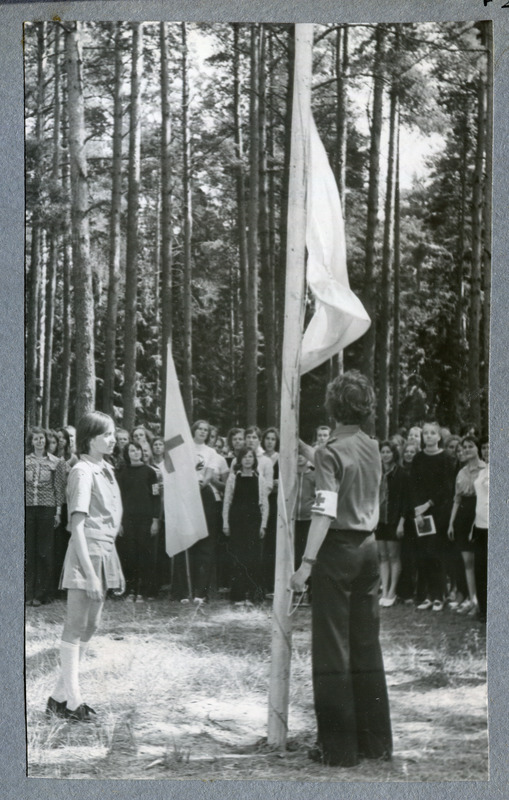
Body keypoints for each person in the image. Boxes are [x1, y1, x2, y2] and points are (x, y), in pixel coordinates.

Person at [290, 371, 392, 768]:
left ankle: (338, 749)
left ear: (333, 407)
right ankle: (376, 743)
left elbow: (324, 511)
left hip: (336, 550)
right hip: (368, 550)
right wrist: (298, 445)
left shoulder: (332, 451)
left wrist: (305, 565)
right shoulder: (370, 445)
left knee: (332, 650)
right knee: (366, 646)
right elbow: (338, 463)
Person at [46, 411, 124, 722]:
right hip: (85, 553)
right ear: (89, 439)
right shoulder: (82, 471)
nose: (113, 439)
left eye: (113, 433)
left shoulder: (106, 468)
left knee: (91, 627)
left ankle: (57, 697)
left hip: (105, 550)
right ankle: (74, 702)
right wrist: (90, 573)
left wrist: (110, 564)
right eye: (106, 434)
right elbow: (76, 525)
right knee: (76, 626)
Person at [408, 420, 455, 612]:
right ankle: (426, 595)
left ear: (438, 437)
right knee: (423, 553)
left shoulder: (446, 458)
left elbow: (446, 488)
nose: (428, 436)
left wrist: (428, 505)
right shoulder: (418, 458)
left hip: (438, 511)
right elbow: (414, 486)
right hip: (420, 513)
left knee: (436, 553)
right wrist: (417, 510)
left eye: (432, 433)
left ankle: (439, 596)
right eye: (425, 433)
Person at [25, 427, 67, 606]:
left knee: (44, 551)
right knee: (30, 550)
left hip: (47, 509)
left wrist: (58, 512)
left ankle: (43, 593)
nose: (39, 442)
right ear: (31, 442)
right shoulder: (24, 460)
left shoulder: (56, 462)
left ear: (46, 441)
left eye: (42, 439)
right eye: (36, 439)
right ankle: (29, 592)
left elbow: (59, 489)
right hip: (28, 508)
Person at [223, 448, 268, 604]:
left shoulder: (259, 478)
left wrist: (263, 525)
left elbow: (264, 504)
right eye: (245, 457)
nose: (248, 459)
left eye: (250, 457)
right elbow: (227, 502)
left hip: (253, 521)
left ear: (254, 460)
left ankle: (253, 596)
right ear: (239, 460)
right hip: (237, 521)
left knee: (253, 558)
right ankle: (238, 596)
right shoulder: (233, 478)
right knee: (238, 558)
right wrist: (225, 523)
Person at [116, 442, 161, 600]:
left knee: (145, 554)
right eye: (131, 451)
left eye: (137, 450)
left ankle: (144, 591)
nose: (135, 453)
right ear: (127, 454)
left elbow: (156, 498)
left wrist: (155, 520)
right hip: (127, 519)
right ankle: (131, 590)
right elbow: (117, 498)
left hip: (146, 520)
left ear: (142, 452)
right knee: (130, 554)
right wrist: (119, 522)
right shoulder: (121, 473)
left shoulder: (150, 472)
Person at [447, 435, 485, 616]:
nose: (467, 450)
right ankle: (473, 599)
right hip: (463, 515)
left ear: (478, 448)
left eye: (471, 446)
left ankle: (483, 602)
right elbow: (457, 498)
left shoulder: (486, 470)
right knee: (467, 561)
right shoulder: (461, 472)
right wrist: (451, 523)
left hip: (480, 515)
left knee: (480, 561)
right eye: (465, 447)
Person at [376, 441, 405, 607]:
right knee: (383, 556)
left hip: (394, 519)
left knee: (394, 556)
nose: (385, 454)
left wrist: (401, 523)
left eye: (388, 452)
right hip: (380, 519)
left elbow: (404, 501)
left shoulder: (401, 474)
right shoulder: (377, 472)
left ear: (394, 454)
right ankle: (384, 589)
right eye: (383, 451)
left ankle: (392, 591)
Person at [260, 427, 279, 595]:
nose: (270, 442)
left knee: (272, 542)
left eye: (273, 439)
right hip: (261, 501)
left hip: (275, 502)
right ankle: (262, 583)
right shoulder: (258, 458)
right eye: (267, 438)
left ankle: (272, 584)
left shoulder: (280, 458)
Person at [472, 439, 489, 623]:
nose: (487, 450)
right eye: (484, 447)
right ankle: (483, 609)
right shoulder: (482, 471)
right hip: (479, 525)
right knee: (480, 568)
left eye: (490, 447)